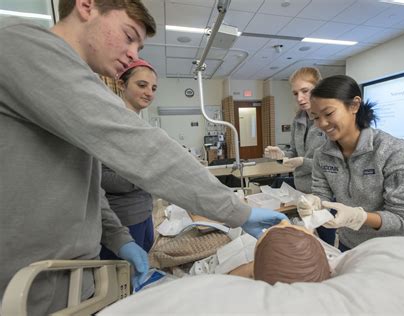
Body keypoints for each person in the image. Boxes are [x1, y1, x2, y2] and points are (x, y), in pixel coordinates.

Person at [0, 0, 286, 314]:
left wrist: (119, 237)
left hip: (69, 277)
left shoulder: (67, 92)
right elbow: (144, 149)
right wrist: (237, 211)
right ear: (86, 6)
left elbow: (87, 186)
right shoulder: (25, 47)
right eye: (128, 35)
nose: (134, 53)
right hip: (28, 286)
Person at [308, 75, 404, 251]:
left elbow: (403, 217)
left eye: (329, 113)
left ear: (354, 105)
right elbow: (321, 194)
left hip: (398, 246)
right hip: (351, 245)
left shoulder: (394, 151)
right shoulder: (322, 155)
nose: (322, 124)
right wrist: (313, 203)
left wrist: (359, 217)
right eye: (316, 117)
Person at [264, 67, 335, 245]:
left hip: (323, 192)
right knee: (307, 241)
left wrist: (303, 162)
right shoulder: (298, 120)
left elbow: (332, 163)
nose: (300, 98)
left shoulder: (329, 119)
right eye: (295, 93)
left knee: (325, 240)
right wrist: (281, 156)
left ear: (318, 88)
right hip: (301, 189)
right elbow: (294, 153)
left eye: (305, 91)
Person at [100, 59, 157, 259]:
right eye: (142, 85)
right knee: (124, 280)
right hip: (122, 219)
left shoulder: (140, 126)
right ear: (121, 84)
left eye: (153, 87)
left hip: (144, 212)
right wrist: (146, 175)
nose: (149, 92)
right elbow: (100, 177)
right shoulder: (109, 124)